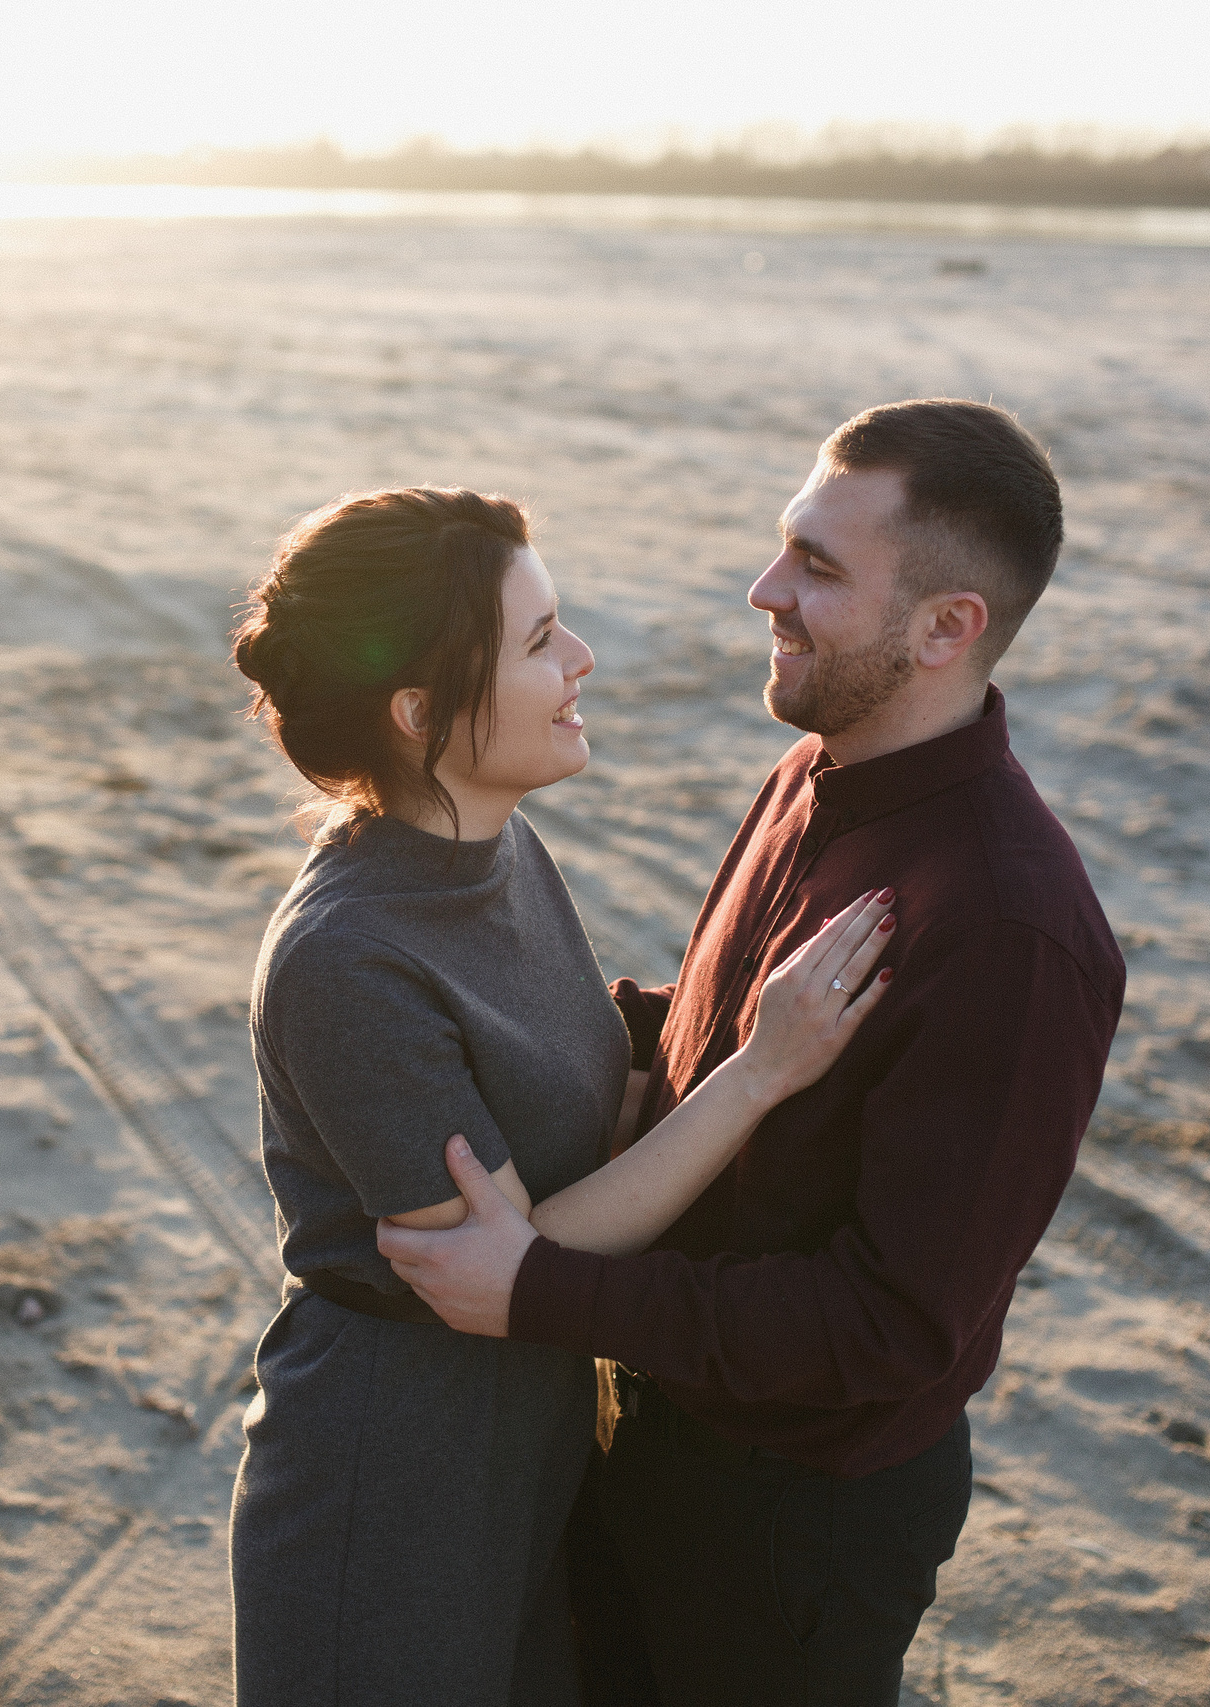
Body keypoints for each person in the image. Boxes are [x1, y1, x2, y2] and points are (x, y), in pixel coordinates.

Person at [382, 402, 1125, 1706]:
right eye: (789, 547)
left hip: (796, 1520)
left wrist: (542, 1289)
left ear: (949, 626)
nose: (763, 589)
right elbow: (711, 1027)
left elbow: (891, 1326)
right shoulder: (815, 768)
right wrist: (469, 1006)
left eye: (820, 570)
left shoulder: (1010, 928)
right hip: (655, 1431)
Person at [227, 486, 898, 1707]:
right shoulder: (348, 959)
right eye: (539, 642)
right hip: (392, 1476)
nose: (581, 660)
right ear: (418, 711)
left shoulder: (499, 847)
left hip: (527, 1451)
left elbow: (589, 1104)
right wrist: (761, 1073)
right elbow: (498, 1271)